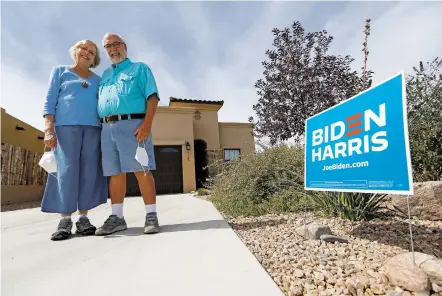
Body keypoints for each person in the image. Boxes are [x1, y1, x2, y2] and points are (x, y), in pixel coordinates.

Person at [41, 39, 109, 241]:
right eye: (83, 48)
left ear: (95, 59)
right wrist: (48, 129)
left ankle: (83, 218)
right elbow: (49, 101)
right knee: (67, 172)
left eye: (91, 51)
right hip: (65, 128)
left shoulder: (99, 80)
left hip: (93, 129)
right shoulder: (60, 71)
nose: (87, 53)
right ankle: (65, 220)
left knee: (89, 172)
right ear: (75, 51)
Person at [95, 33, 160, 236]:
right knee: (115, 173)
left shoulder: (139, 68)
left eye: (116, 44)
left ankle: (151, 215)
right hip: (107, 128)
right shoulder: (105, 75)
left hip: (134, 125)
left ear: (125, 46)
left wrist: (147, 124)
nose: (113, 49)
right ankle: (117, 217)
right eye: (108, 46)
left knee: (142, 169)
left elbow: (152, 96)